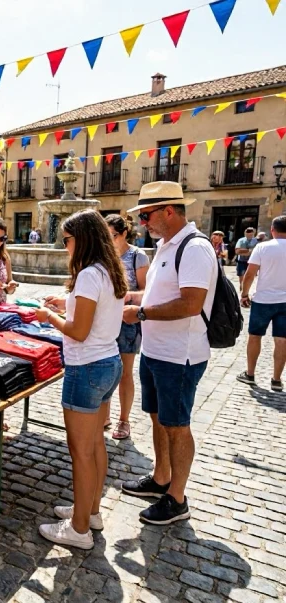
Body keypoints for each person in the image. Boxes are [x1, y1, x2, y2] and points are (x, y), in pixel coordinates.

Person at [121, 181, 217, 525]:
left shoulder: (194, 248)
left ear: (169, 211)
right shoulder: (165, 245)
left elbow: (191, 303)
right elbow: (157, 294)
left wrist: (141, 313)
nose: (142, 222)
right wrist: (130, 299)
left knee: (177, 426)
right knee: (158, 418)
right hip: (156, 350)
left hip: (180, 355)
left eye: (146, 215)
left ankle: (177, 499)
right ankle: (161, 478)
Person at [34, 210, 126, 549]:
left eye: (67, 240)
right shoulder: (108, 270)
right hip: (108, 362)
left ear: (82, 239)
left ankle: (78, 528)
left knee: (81, 452)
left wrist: (50, 316)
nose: (65, 246)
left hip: (86, 367)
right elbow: (93, 313)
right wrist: (67, 303)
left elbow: (78, 330)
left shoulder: (88, 274)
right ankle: (90, 511)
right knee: (96, 445)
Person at [103, 214, 149, 440]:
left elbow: (147, 292)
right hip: (105, 319)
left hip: (127, 320)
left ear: (123, 234)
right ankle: (104, 416)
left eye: (112, 235)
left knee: (124, 372)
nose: (108, 240)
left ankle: (124, 419)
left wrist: (127, 296)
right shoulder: (104, 255)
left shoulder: (137, 256)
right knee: (105, 368)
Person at [237, 216, 286, 392]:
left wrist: (244, 294)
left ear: (272, 230)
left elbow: (250, 274)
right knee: (282, 340)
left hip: (263, 300)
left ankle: (250, 374)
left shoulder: (263, 247)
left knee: (255, 336)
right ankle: (276, 380)